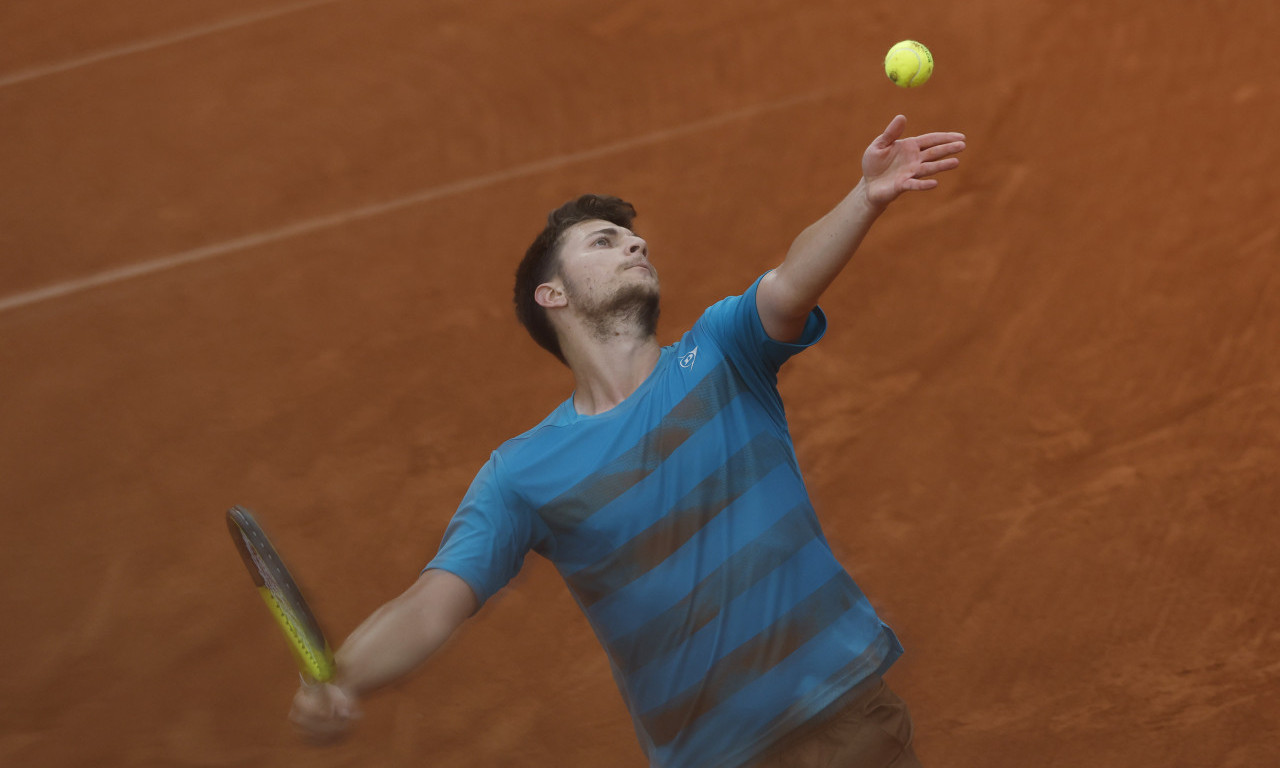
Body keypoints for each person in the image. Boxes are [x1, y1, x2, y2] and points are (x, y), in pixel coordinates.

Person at [290, 114, 965, 768]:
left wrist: (866, 195)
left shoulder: (722, 351)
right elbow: (431, 603)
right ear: (552, 295)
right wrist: (344, 676)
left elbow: (790, 284)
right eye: (604, 242)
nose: (635, 246)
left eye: (633, 239)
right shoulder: (520, 473)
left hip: (846, 720)